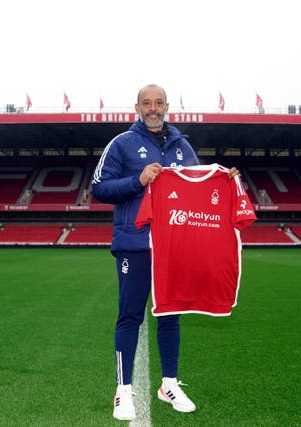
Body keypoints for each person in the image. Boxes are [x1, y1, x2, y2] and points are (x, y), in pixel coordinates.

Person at [92, 84, 238, 421]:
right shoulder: (122, 144)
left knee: (171, 313)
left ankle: (168, 383)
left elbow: (198, 184)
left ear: (167, 106)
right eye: (147, 103)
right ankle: (122, 389)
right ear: (137, 107)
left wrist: (224, 180)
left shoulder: (182, 145)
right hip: (135, 243)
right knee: (130, 316)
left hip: (173, 246)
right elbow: (99, 187)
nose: (153, 108)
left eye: (158, 103)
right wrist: (138, 180)